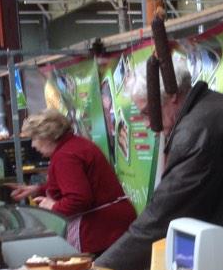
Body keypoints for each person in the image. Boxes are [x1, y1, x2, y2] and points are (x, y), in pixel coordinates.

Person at [94, 54, 223, 270]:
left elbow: (163, 216)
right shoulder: (211, 110)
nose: (147, 123)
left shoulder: (197, 129)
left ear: (173, 96)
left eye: (148, 111)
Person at [10, 110, 136, 256]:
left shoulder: (65, 156)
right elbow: (73, 184)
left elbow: (79, 199)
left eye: (34, 138)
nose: (32, 145)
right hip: (113, 226)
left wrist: (53, 206)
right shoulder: (75, 146)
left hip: (102, 231)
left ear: (46, 136)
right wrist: (38, 189)